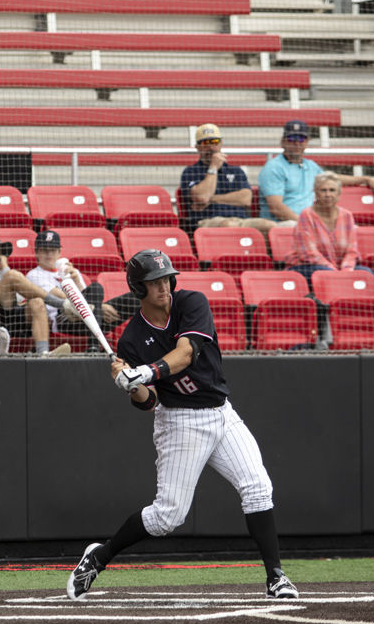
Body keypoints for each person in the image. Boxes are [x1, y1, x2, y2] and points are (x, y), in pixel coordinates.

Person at [67, 249, 298, 601]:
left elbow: (186, 352)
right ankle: (99, 556)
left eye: (165, 279)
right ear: (138, 288)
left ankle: (276, 577)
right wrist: (132, 386)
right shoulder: (130, 340)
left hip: (221, 412)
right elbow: (149, 403)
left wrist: (145, 371)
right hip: (179, 422)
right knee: (166, 518)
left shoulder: (191, 302)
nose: (163, 287)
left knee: (258, 488)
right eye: (153, 282)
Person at [0, 232, 72, 356]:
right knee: (12, 276)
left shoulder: (2, 273)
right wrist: (4, 280)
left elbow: (20, 299)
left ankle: (44, 353)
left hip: (11, 320)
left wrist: (4, 274)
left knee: (36, 301)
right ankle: (63, 304)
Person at [257, 119, 374, 226]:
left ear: (307, 142)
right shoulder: (274, 168)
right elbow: (276, 208)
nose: (297, 143)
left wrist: (364, 179)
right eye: (292, 138)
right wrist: (306, 223)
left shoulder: (310, 165)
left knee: (351, 228)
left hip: (310, 221)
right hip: (284, 223)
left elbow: (333, 179)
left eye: (301, 139)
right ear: (283, 142)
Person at [24, 230, 138, 348]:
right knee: (96, 287)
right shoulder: (34, 275)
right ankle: (93, 345)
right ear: (36, 252)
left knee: (137, 297)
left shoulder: (72, 272)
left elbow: (90, 296)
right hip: (64, 319)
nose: (49, 254)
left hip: (89, 317)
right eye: (44, 250)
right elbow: (60, 296)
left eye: (52, 250)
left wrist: (76, 280)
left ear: (59, 252)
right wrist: (98, 306)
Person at [178, 123, 272, 234]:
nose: (210, 147)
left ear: (221, 143)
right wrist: (213, 167)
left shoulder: (236, 171)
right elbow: (202, 197)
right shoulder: (190, 172)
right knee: (228, 225)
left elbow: (246, 199)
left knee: (270, 225)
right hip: (207, 221)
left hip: (241, 220)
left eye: (214, 142)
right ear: (197, 147)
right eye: (205, 143)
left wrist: (212, 199)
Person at [285, 174, 371, 277]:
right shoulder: (307, 215)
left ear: (339, 193)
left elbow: (351, 251)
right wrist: (334, 272)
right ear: (316, 193)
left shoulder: (347, 216)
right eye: (323, 190)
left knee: (366, 273)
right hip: (307, 266)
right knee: (326, 273)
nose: (328, 194)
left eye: (332, 190)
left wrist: (346, 270)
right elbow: (308, 253)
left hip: (338, 268)